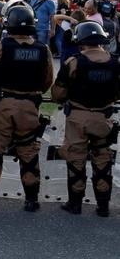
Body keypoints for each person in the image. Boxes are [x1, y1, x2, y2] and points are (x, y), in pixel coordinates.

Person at [0, 3, 54, 212]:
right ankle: (32, 200)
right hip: (29, 106)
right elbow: (47, 81)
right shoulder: (43, 50)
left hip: (3, 104)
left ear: (8, 22)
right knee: (28, 151)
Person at [51, 21, 119, 217]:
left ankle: (75, 204)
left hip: (77, 118)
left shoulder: (73, 62)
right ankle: (103, 206)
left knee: (76, 160)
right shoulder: (115, 62)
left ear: (80, 40)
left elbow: (58, 94)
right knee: (103, 161)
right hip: (103, 117)